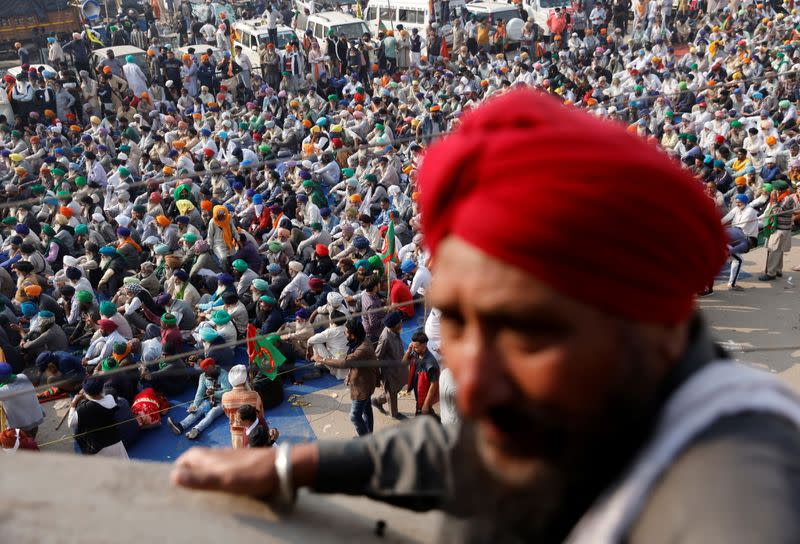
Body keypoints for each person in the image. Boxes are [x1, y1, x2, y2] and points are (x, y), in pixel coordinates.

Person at [171, 90, 800, 543]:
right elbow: (461, 453)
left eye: (527, 332)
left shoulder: (734, 486)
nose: (473, 378)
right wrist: (286, 465)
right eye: (459, 323)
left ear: (652, 328)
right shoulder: (573, 411)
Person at [313, 319, 379, 436]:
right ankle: (369, 434)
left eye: (346, 332)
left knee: (354, 416)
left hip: (362, 386)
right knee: (367, 409)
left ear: (353, 335)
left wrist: (322, 360)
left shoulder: (363, 348)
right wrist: (349, 374)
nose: (345, 334)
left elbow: (344, 363)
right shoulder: (360, 340)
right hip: (365, 379)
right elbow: (354, 362)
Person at [167, 357, 231, 440]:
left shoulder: (223, 374)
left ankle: (196, 430)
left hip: (222, 401)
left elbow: (228, 391)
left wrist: (214, 393)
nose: (206, 374)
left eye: (207, 371)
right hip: (210, 400)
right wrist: (194, 405)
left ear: (213, 367)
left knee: (212, 413)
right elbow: (200, 393)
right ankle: (180, 426)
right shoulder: (203, 376)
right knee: (199, 409)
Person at [68, 377, 128, 458]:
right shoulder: (110, 398)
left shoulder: (85, 408)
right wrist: (87, 393)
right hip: (115, 441)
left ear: (86, 393)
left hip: (99, 446)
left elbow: (70, 423)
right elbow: (99, 398)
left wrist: (73, 403)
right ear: (102, 388)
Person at [221, 364, 264, 449]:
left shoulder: (225, 396)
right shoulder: (254, 395)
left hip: (236, 436)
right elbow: (261, 416)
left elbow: (227, 414)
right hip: (254, 434)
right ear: (245, 379)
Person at [0, 362, 45, 439]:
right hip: (36, 417)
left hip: (23, 424)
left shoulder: (4, 391)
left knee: (24, 438)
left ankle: (29, 444)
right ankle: (32, 440)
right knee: (32, 433)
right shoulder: (23, 376)